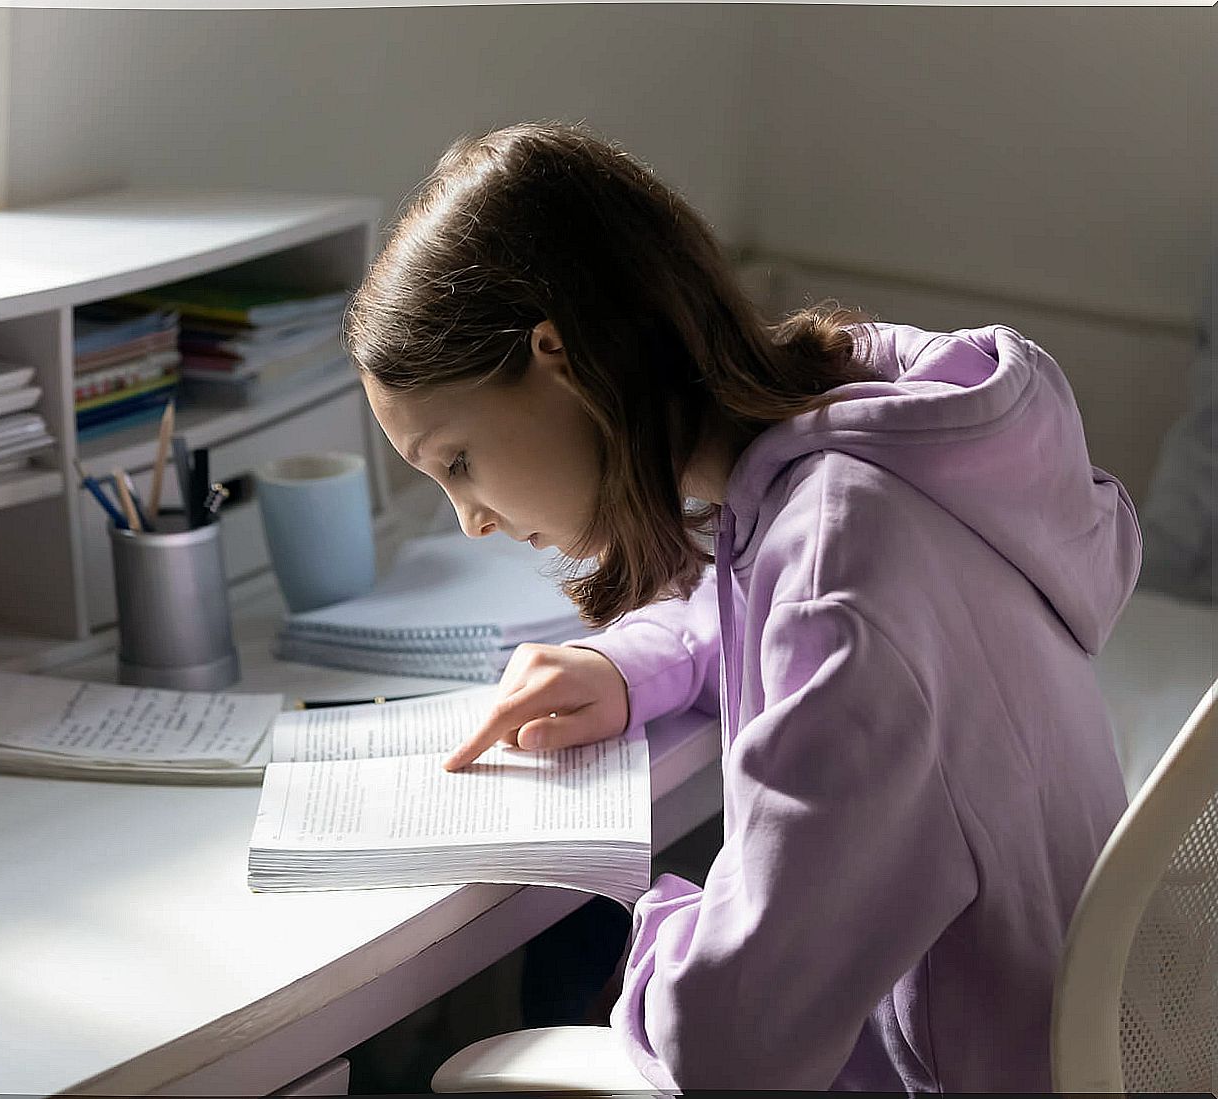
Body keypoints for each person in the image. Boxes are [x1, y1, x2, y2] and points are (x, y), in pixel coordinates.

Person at [343, 120, 1139, 1091]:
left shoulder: (841, 575)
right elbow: (784, 610)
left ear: (558, 355)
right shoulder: (878, 459)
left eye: (456, 461)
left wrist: (658, 933)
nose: (469, 519)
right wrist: (629, 665)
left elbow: (732, 1047)